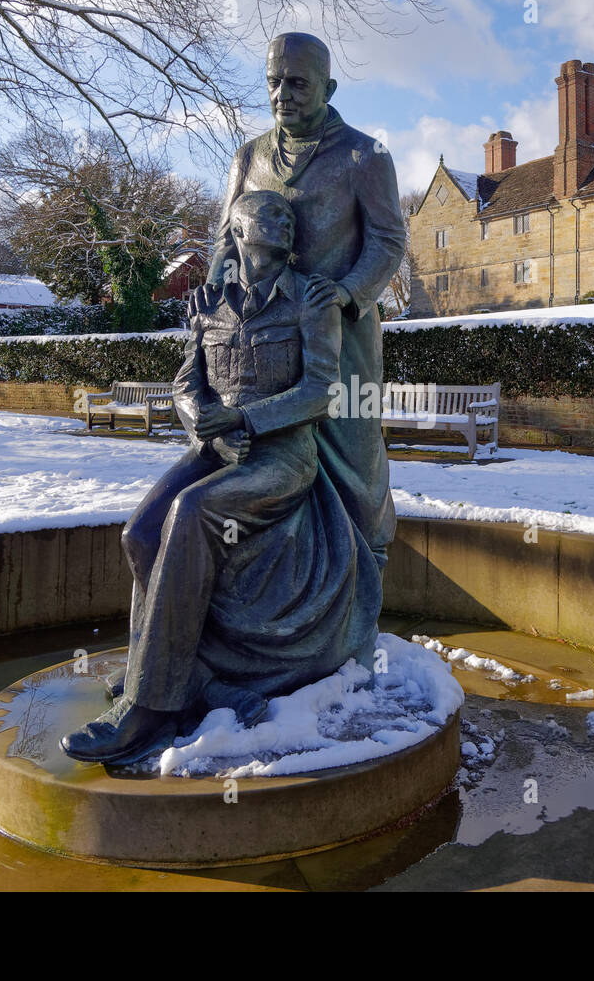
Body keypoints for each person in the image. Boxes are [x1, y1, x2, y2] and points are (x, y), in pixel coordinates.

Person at [61, 191, 380, 766]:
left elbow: (321, 390)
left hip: (281, 455)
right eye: (269, 214)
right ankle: (176, 672)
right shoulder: (208, 299)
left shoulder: (312, 298)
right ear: (237, 229)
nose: (283, 221)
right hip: (218, 447)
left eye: (288, 216)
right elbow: (188, 383)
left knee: (194, 512)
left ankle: (148, 706)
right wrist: (204, 425)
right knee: (139, 533)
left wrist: (245, 419)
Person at [208, 32, 406, 579]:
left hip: (343, 335)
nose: (282, 94)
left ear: (328, 86)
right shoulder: (248, 156)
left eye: (297, 82)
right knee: (267, 453)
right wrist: (218, 299)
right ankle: (277, 583)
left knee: (355, 456)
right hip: (267, 337)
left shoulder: (366, 154)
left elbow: (388, 241)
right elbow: (224, 238)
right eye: (273, 81)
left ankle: (362, 580)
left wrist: (346, 290)